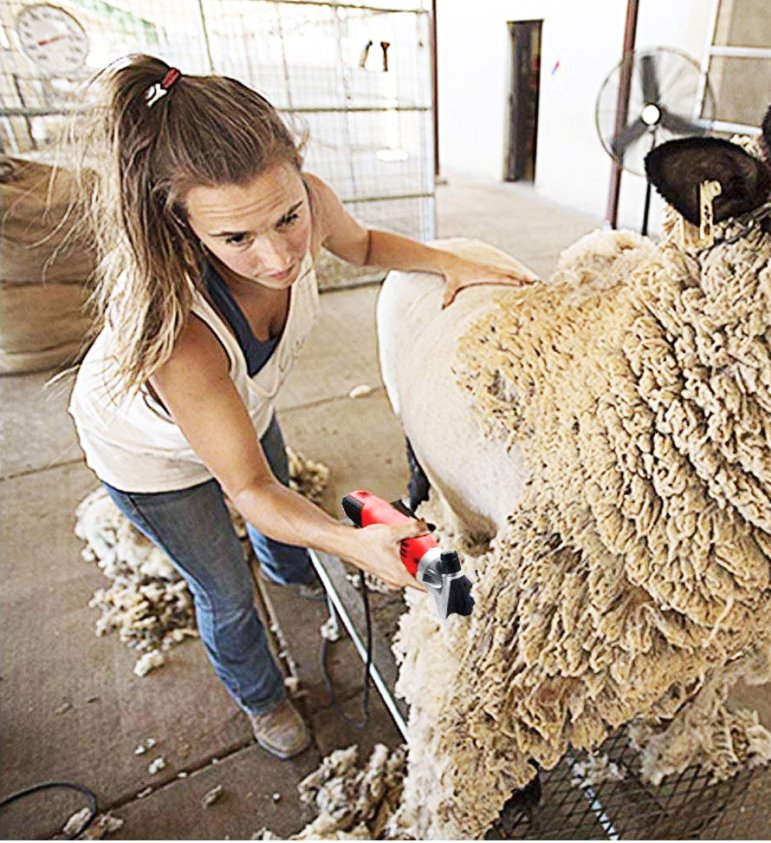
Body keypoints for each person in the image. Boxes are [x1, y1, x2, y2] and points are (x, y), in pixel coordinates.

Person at [67, 55, 533, 759]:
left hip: (244, 404)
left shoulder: (308, 202)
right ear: (183, 226)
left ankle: (293, 570)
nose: (280, 256)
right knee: (225, 588)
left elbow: (364, 245)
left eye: (287, 217)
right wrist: (352, 542)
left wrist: (448, 261)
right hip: (149, 457)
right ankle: (261, 696)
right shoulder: (179, 337)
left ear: (299, 177)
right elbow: (249, 488)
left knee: (285, 516)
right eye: (236, 239)